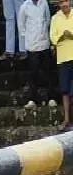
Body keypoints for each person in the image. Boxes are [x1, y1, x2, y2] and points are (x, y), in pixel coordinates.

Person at [20, 0, 55, 108]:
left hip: (44, 43)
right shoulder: (24, 6)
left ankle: (51, 98)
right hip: (32, 45)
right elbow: (21, 26)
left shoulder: (44, 3)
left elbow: (48, 20)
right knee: (33, 73)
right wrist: (30, 37)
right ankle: (32, 99)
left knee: (48, 72)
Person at [53, 0, 73, 131]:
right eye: (62, 2)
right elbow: (52, 37)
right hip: (62, 58)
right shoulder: (55, 18)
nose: (65, 4)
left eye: (66, 1)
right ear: (59, 5)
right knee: (65, 90)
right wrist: (62, 36)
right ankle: (66, 120)